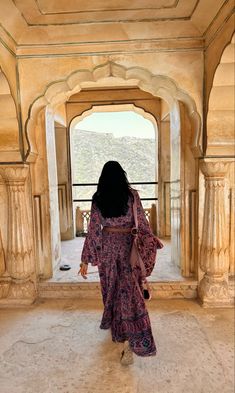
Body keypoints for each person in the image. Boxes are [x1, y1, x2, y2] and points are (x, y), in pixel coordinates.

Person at [78, 161, 157, 365]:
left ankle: (119, 332)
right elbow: (142, 223)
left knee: (111, 290)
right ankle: (133, 334)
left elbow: (94, 230)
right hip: (128, 248)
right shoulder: (132, 196)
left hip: (107, 250)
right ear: (122, 176)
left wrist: (85, 260)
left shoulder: (98, 198)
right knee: (130, 291)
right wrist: (151, 244)